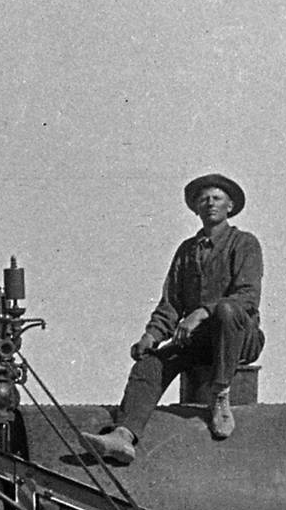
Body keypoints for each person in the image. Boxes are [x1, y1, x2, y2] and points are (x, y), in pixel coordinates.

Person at [83, 173, 264, 464]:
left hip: (238, 337)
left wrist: (202, 312)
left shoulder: (244, 243)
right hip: (199, 341)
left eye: (216, 198)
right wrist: (151, 336)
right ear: (195, 209)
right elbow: (171, 304)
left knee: (227, 311)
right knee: (152, 362)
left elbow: (247, 298)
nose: (209, 203)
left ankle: (220, 395)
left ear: (230, 206)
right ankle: (124, 436)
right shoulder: (186, 251)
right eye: (203, 199)